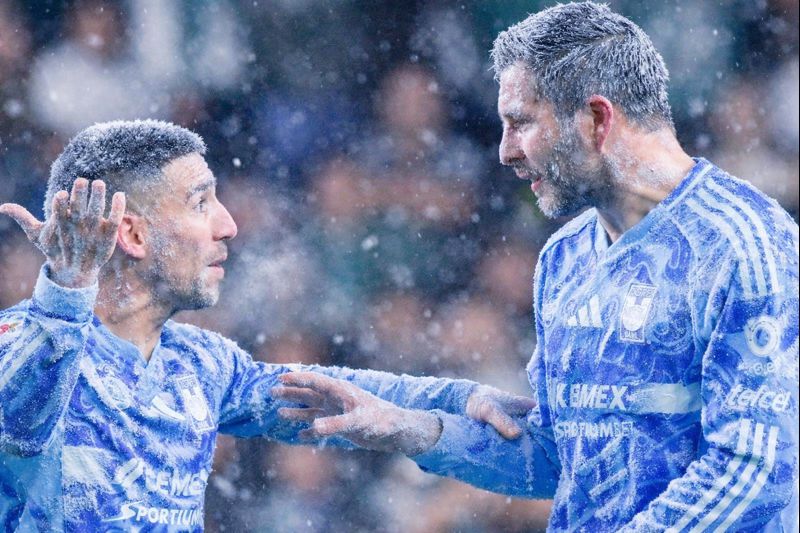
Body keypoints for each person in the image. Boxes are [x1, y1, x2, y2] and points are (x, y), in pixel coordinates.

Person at [276, 3, 800, 531]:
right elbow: (558, 459)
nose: (504, 152)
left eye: (520, 123)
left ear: (597, 119)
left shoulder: (744, 244)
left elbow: (753, 472)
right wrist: (412, 428)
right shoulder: (564, 258)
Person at [0, 119, 533, 531]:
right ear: (134, 237)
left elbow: (339, 391)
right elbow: (20, 419)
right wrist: (65, 296)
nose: (228, 225)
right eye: (200, 202)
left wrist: (459, 400)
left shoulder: (202, 366)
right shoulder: (20, 340)